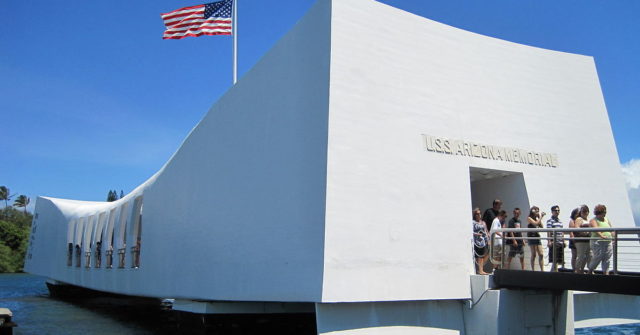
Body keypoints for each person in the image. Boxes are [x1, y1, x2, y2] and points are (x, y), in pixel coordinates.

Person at [588, 204, 614, 275]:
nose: (605, 213)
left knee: (607, 258)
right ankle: (590, 270)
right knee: (598, 257)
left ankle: (606, 273)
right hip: (598, 241)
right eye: (603, 212)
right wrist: (601, 235)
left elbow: (611, 229)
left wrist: (614, 237)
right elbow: (596, 228)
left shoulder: (606, 220)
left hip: (608, 242)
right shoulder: (593, 220)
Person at [574, 205, 591, 273]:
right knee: (580, 256)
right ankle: (577, 270)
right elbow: (576, 229)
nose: (584, 213)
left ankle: (587, 269)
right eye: (583, 211)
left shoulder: (589, 220)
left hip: (588, 240)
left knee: (590, 255)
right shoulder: (579, 219)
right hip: (581, 241)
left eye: (586, 211)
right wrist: (585, 232)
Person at [546, 205, 565, 271]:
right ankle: (554, 273)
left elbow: (562, 232)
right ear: (552, 212)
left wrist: (563, 241)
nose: (557, 212)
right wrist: (549, 241)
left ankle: (554, 272)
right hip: (554, 242)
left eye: (558, 210)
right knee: (555, 260)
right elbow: (549, 232)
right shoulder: (550, 221)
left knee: (559, 260)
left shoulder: (560, 221)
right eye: (555, 210)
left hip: (560, 242)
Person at [527, 206, 546, 271]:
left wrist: (538, 217)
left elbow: (541, 226)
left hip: (537, 237)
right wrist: (541, 217)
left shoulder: (537, 218)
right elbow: (535, 224)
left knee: (541, 254)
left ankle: (542, 270)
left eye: (538, 210)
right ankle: (533, 270)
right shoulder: (529, 218)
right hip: (531, 237)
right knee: (534, 254)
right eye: (536, 210)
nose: (538, 212)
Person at [472, 208, 489, 275]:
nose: (479, 215)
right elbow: (471, 231)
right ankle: (480, 270)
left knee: (484, 255)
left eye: (480, 213)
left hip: (483, 242)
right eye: (477, 214)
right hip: (476, 242)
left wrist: (488, 239)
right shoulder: (473, 222)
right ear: (475, 215)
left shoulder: (483, 222)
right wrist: (477, 234)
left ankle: (481, 269)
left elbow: (486, 231)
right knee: (479, 256)